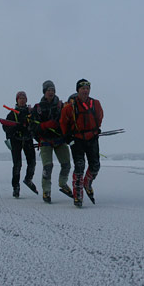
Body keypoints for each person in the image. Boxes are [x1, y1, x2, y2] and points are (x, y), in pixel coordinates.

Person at [60, 79, 103, 207]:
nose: (85, 90)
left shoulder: (96, 104)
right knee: (79, 166)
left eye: (87, 88)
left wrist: (95, 130)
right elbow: (63, 122)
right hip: (77, 139)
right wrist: (67, 136)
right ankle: (78, 195)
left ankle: (87, 182)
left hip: (92, 137)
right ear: (78, 90)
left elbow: (99, 117)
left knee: (95, 165)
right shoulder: (69, 107)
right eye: (83, 88)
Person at [30, 80, 73, 203]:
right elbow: (32, 127)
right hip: (45, 141)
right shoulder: (37, 108)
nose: (51, 92)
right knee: (47, 167)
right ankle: (46, 191)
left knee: (66, 165)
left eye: (53, 90)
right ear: (44, 91)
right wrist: (44, 126)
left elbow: (68, 122)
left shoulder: (61, 106)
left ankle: (63, 184)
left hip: (60, 140)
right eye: (49, 90)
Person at [2, 91, 38, 198]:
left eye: (24, 98)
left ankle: (28, 179)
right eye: (20, 98)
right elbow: (5, 126)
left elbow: (36, 124)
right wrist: (15, 128)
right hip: (16, 140)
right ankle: (16, 187)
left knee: (32, 163)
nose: (22, 100)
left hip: (28, 140)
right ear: (17, 100)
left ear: (26, 100)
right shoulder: (12, 114)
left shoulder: (31, 112)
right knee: (17, 165)